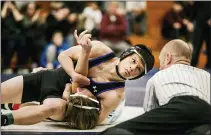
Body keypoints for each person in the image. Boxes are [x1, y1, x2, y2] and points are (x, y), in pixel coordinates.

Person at [1, 30, 154, 127]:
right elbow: (63, 55)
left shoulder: (116, 94)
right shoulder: (100, 50)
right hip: (49, 79)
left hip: (63, 104)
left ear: (139, 76)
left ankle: (6, 119)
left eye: (138, 70)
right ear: (126, 54)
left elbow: (92, 121)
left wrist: (70, 95)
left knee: (50, 108)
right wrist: (74, 74)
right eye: (133, 61)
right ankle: (18, 105)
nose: (132, 68)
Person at [101, 39, 211, 134]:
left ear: (167, 58)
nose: (160, 67)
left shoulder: (158, 76)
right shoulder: (207, 76)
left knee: (113, 132)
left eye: (162, 61)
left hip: (179, 105)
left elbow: (151, 117)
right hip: (206, 112)